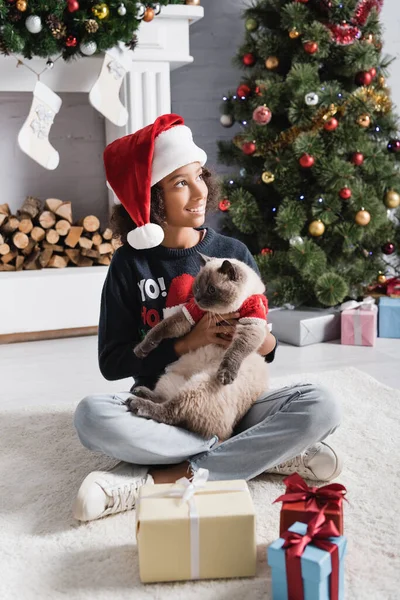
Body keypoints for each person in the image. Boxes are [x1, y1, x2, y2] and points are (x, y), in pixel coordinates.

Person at [73, 114, 342, 522]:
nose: (200, 190)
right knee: (90, 417)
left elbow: (267, 351)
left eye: (199, 175)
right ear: (152, 198)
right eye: (180, 182)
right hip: (164, 404)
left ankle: (160, 476)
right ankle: (259, 453)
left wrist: (253, 337)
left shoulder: (232, 252)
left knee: (322, 406)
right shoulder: (130, 265)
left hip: (235, 403)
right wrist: (185, 343)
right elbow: (112, 364)